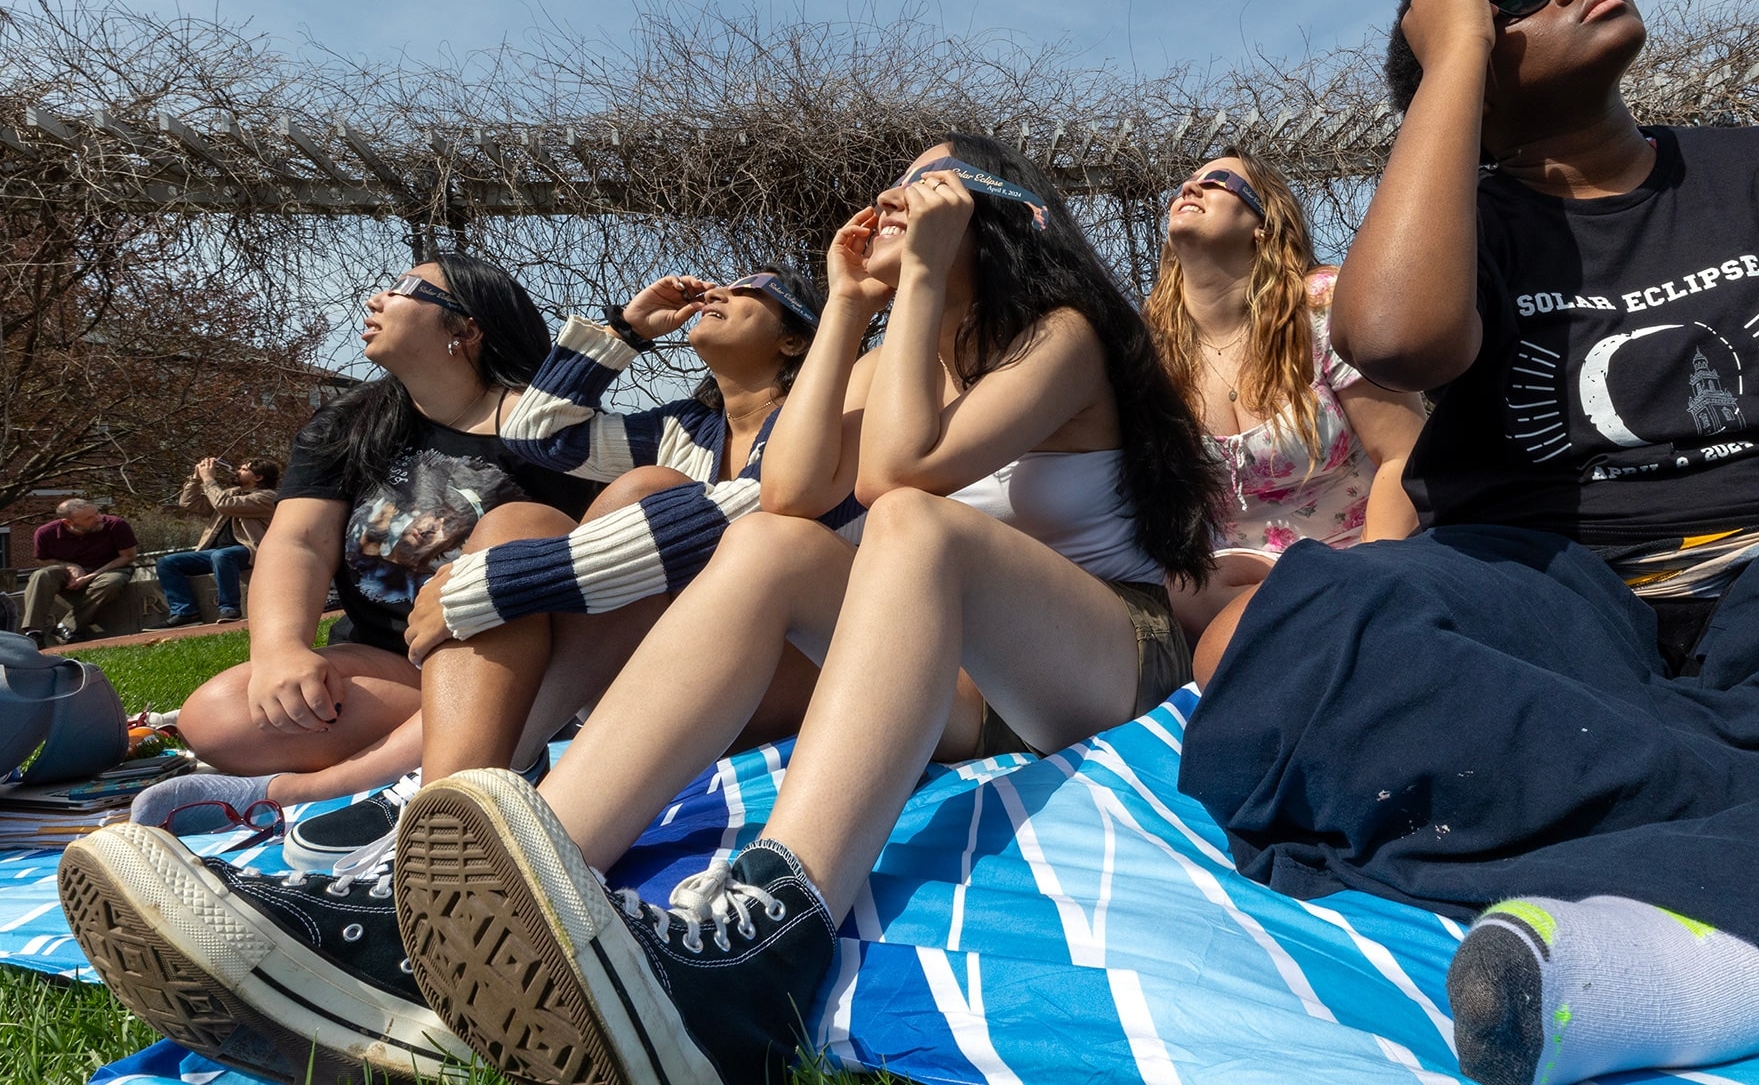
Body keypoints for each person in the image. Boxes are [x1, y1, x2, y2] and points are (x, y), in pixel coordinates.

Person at [1176, 0, 1759, 1085]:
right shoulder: (1455, 235)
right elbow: (1391, 339)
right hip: (1557, 607)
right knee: (1267, 637)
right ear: (1454, 53)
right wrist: (1452, 53)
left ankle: (1723, 953)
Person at [371, 133, 1221, 1085]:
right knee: (772, 545)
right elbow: (790, 495)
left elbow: (902, 474)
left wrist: (926, 282)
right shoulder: (889, 352)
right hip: (962, 698)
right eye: (894, 185)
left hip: (1100, 659)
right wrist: (854, 305)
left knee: (913, 523)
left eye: (926, 184)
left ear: (1001, 211)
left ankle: (775, 934)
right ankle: (511, 894)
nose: (896, 200)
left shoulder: (1058, 334)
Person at [61, 262, 859, 1085]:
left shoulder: (837, 416)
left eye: (755, 291)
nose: (720, 292)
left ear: (801, 334)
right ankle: (443, 853)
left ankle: (441, 862)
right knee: (560, 508)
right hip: (600, 660)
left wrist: (496, 586)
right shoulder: (678, 428)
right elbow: (542, 433)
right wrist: (623, 329)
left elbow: (770, 506)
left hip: (764, 659)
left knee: (616, 504)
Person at [1143, 148, 1424, 648]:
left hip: (1358, 565)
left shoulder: (1321, 305)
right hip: (1222, 598)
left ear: (1263, 224)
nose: (1190, 189)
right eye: (1186, 183)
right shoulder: (1149, 348)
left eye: (1217, 182)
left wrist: (1370, 581)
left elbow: (1401, 454)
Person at [153, 457, 281, 627]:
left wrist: (209, 479)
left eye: (243, 469)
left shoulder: (268, 497)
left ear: (258, 477)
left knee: (222, 555)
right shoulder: (230, 493)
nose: (237, 471)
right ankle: (185, 612)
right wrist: (196, 478)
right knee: (167, 563)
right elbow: (188, 503)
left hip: (250, 550)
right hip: (215, 554)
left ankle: (230, 609)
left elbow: (224, 505)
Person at [22, 499, 137, 646]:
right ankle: (34, 633)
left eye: (97, 513)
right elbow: (43, 559)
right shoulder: (45, 533)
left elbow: (128, 556)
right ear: (68, 522)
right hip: (67, 571)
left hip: (110, 568)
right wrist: (70, 566)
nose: (98, 519)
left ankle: (66, 627)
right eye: (89, 518)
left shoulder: (116, 525)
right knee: (41, 575)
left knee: (111, 583)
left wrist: (91, 576)